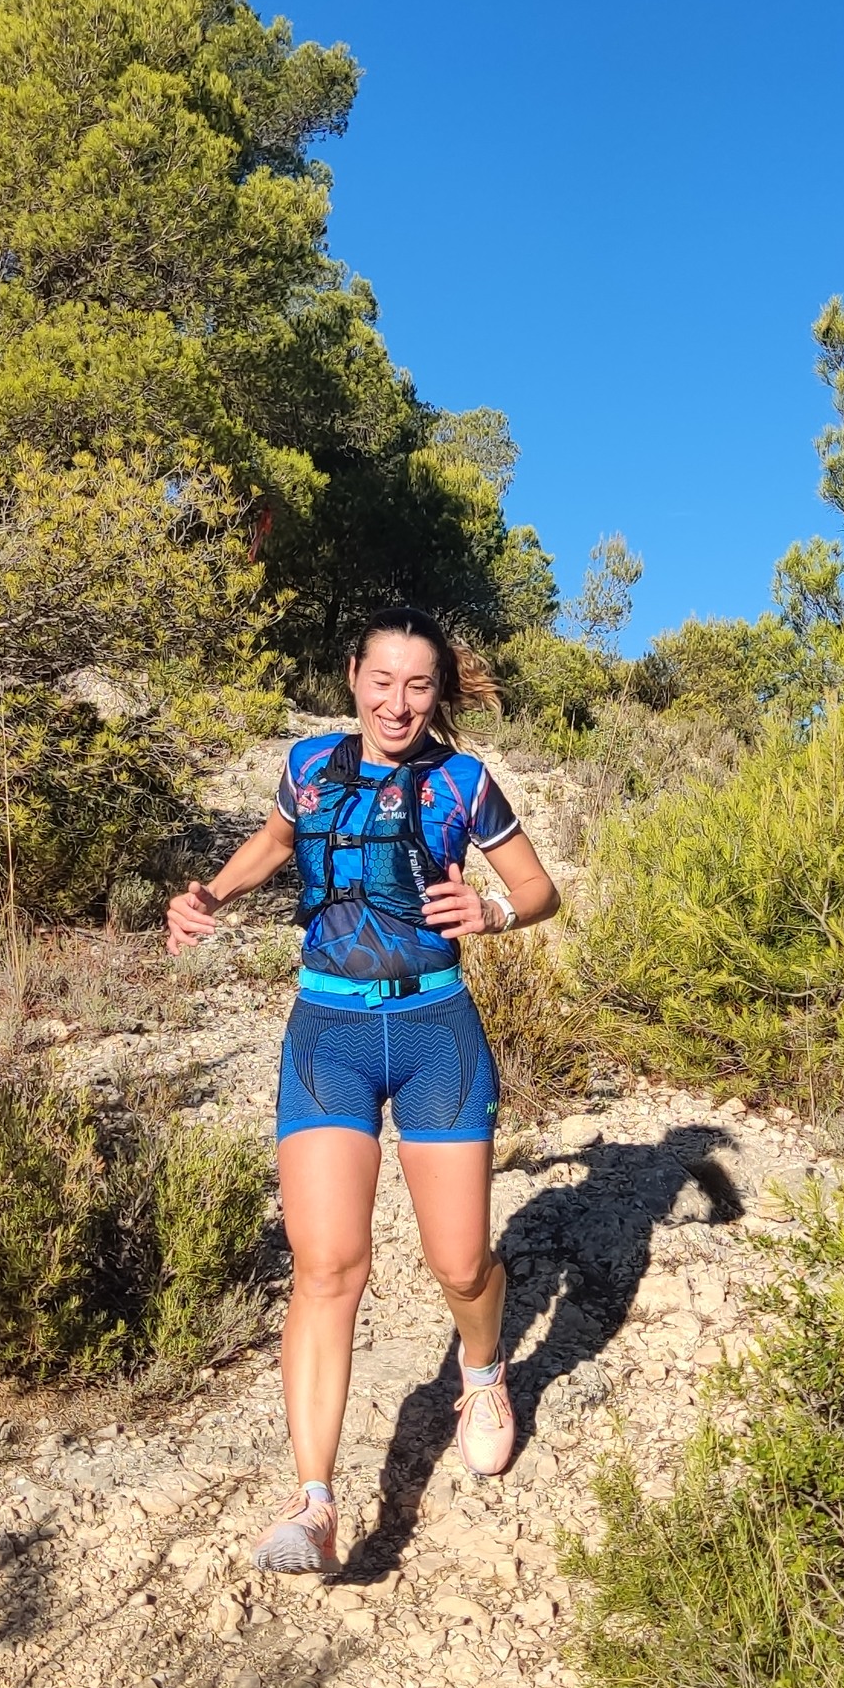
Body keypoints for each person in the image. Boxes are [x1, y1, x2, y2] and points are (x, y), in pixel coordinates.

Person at [165, 605, 561, 1571]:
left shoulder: (463, 781)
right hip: (327, 1033)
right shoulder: (309, 765)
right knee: (328, 1265)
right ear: (352, 676)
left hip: (435, 1031)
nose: (397, 702)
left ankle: (482, 1370)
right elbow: (274, 842)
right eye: (381, 681)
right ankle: (313, 1503)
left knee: (460, 1264)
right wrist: (210, 893)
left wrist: (492, 910)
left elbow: (540, 890)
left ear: (437, 692)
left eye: (418, 685)